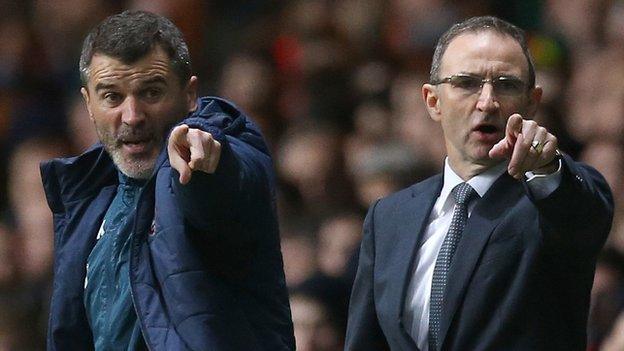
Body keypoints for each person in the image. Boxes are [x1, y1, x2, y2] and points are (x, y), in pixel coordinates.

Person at [345, 16, 613, 351]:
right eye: (466, 83)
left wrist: (547, 168)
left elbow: (584, 215)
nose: (487, 102)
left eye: (506, 84)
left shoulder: (551, 196)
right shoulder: (389, 216)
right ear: (433, 101)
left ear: (532, 102)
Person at [40, 10, 295, 350]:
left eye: (151, 92)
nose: (132, 116)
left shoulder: (210, 157)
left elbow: (233, 182)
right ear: (88, 103)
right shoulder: (87, 203)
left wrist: (210, 162)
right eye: (112, 96)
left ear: (189, 95)